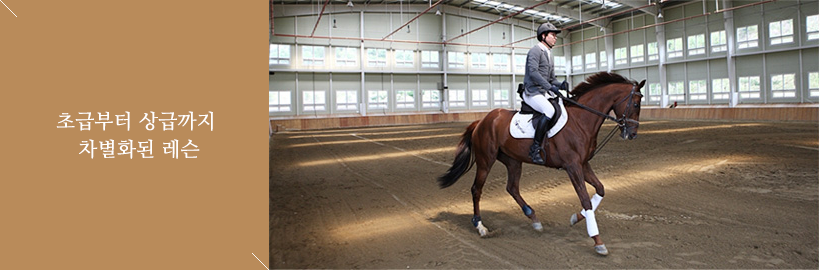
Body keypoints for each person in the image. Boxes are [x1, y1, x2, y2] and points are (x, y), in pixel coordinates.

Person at [523, 22, 569, 165]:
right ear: (543, 36)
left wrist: (560, 84)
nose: (555, 38)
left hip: (543, 92)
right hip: (532, 91)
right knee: (549, 110)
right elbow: (533, 73)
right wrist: (550, 87)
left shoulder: (549, 54)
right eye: (553, 35)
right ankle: (535, 148)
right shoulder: (535, 51)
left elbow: (551, 78)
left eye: (556, 36)